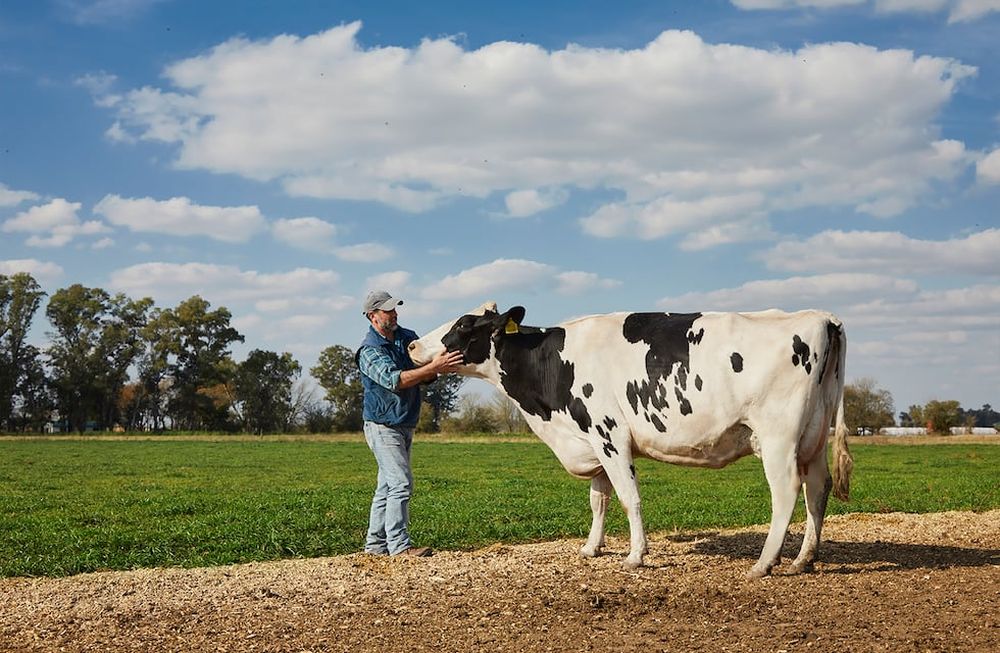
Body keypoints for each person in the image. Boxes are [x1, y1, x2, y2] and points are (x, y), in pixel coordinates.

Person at [356, 289, 463, 557]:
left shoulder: (407, 338)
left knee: (387, 486)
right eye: (388, 310)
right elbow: (396, 380)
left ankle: (375, 546)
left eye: (395, 309)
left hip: (405, 421)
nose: (395, 314)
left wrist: (436, 368)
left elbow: (424, 373)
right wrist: (432, 368)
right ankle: (399, 546)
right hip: (382, 425)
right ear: (373, 316)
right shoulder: (369, 351)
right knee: (401, 483)